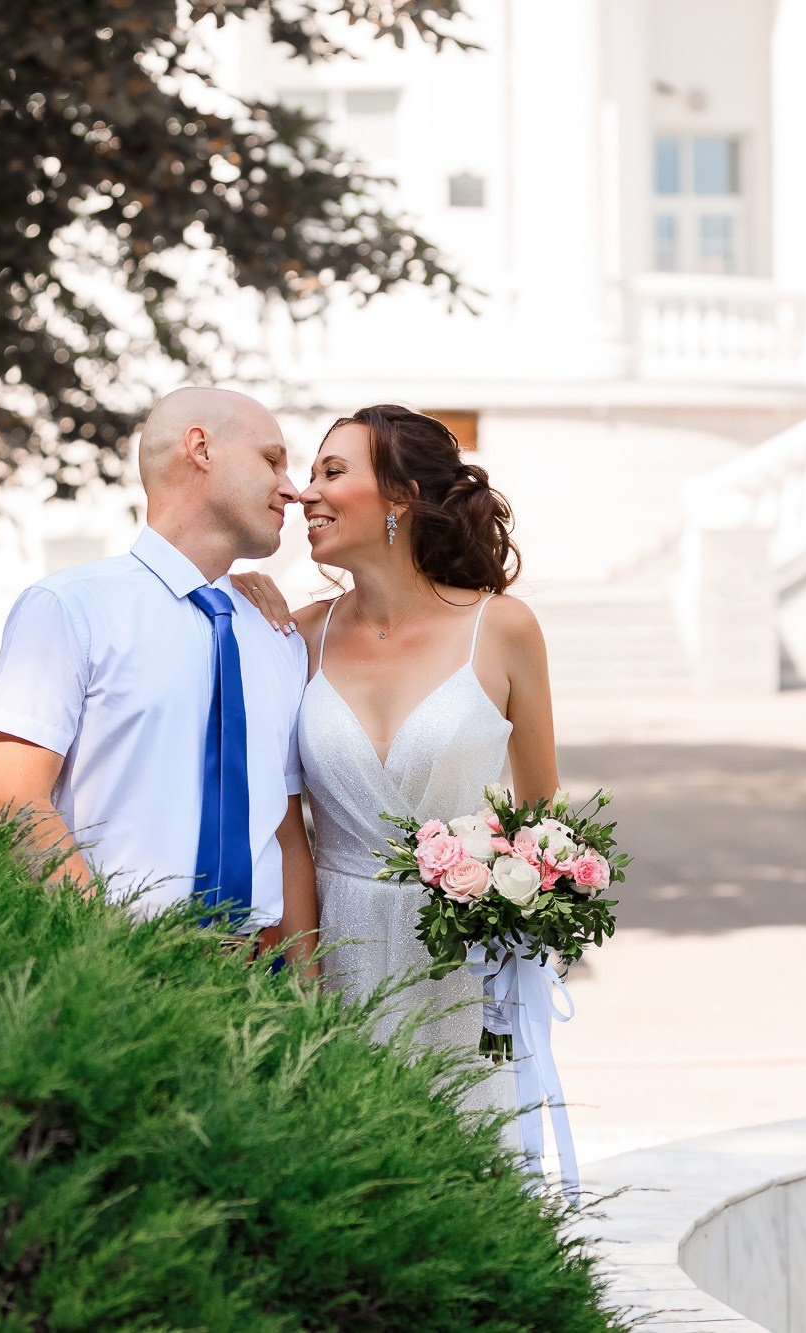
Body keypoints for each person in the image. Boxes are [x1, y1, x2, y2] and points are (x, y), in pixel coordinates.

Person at [0, 387, 317, 968]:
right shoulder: (68, 608)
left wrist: (307, 992)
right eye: (272, 459)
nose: (292, 488)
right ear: (200, 448)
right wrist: (113, 957)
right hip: (111, 964)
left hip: (261, 980)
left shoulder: (275, 636)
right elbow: (18, 803)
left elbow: (286, 831)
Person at [284, 404, 556, 1108]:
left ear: (401, 497)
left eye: (332, 472)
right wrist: (302, 979)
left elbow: (541, 819)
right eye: (310, 473)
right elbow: (282, 823)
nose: (305, 491)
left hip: (461, 964)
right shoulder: (295, 636)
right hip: (335, 953)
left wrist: (511, 917)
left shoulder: (502, 629)